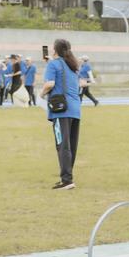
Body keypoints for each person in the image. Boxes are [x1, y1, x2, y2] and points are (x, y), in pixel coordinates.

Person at [40, 39, 81, 190]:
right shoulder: (73, 66)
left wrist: (41, 94)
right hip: (75, 110)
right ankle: (68, 176)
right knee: (71, 144)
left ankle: (67, 180)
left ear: (55, 49)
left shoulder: (53, 64)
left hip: (61, 110)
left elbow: (50, 84)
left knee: (62, 144)